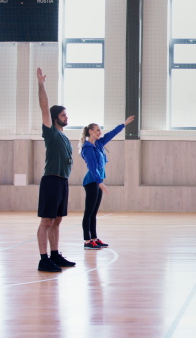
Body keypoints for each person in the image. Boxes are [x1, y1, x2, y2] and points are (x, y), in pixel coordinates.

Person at [36, 67, 76, 272]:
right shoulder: (50, 132)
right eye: (63, 115)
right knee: (47, 221)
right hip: (51, 180)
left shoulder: (64, 136)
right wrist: (41, 85)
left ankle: (55, 255)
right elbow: (44, 107)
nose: (66, 117)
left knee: (58, 220)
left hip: (62, 181)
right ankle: (43, 259)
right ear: (55, 118)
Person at [79, 116, 135, 250]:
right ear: (90, 132)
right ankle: (87, 241)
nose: (100, 133)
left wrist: (124, 124)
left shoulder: (98, 143)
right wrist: (99, 183)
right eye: (97, 130)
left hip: (98, 180)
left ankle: (94, 238)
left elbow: (112, 134)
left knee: (94, 213)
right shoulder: (87, 148)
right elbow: (92, 168)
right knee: (89, 212)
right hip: (92, 181)